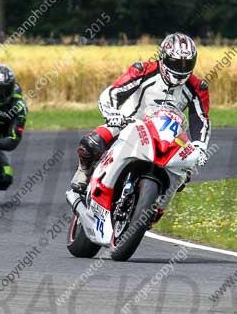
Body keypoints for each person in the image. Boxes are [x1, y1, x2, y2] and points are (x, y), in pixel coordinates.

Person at [70, 32, 211, 193]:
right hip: (129, 124)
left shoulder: (198, 87)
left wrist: (200, 146)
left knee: (183, 175)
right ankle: (84, 170)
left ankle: (153, 206)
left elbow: (200, 119)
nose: (181, 69)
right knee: (91, 144)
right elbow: (113, 93)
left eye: (187, 64)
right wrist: (112, 113)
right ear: (163, 58)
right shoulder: (143, 70)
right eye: (176, 63)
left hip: (167, 136)